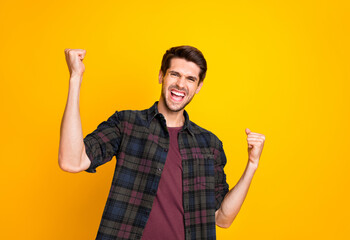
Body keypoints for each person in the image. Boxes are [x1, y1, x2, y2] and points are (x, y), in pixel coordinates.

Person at [58, 46, 265, 240]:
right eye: (175, 74)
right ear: (161, 76)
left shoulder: (209, 144)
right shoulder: (127, 123)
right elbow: (71, 161)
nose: (181, 84)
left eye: (190, 79)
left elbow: (222, 218)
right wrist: (76, 78)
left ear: (198, 87)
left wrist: (252, 165)